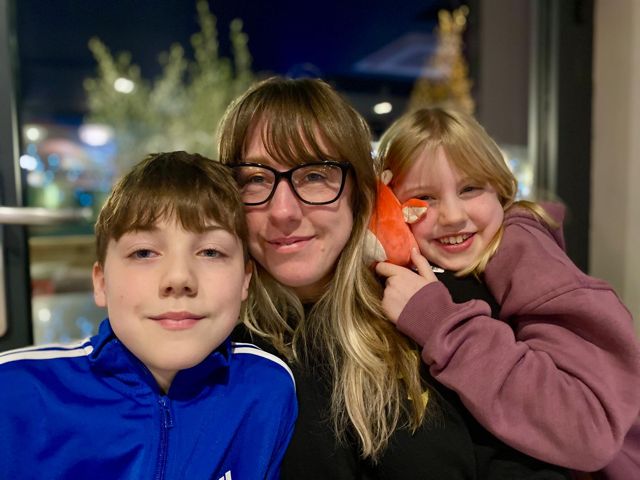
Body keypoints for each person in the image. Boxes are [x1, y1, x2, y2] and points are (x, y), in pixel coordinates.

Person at [218, 76, 570, 478]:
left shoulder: (439, 311)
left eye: (315, 176)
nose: (283, 211)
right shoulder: (212, 344)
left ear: (360, 193)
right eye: (256, 179)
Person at [375, 107, 640, 479]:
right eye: (424, 198)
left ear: (501, 190)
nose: (452, 215)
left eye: (470, 188)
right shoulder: (433, 270)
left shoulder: (526, 256)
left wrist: (440, 323)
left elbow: (587, 432)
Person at [0, 151, 296, 479]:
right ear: (101, 283)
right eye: (144, 253)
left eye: (211, 252)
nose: (179, 279)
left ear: (245, 280)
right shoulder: (15, 392)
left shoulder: (266, 388)